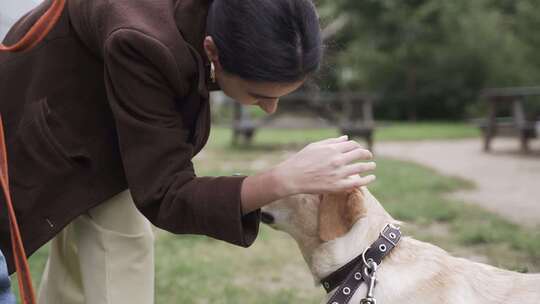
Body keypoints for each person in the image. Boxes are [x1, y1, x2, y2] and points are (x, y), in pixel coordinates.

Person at [0, 0, 376, 303]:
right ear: (212, 50)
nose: (269, 109)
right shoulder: (143, 41)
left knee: (107, 252)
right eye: (260, 96)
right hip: (38, 121)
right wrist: (280, 181)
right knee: (123, 250)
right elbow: (166, 194)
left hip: (102, 128)